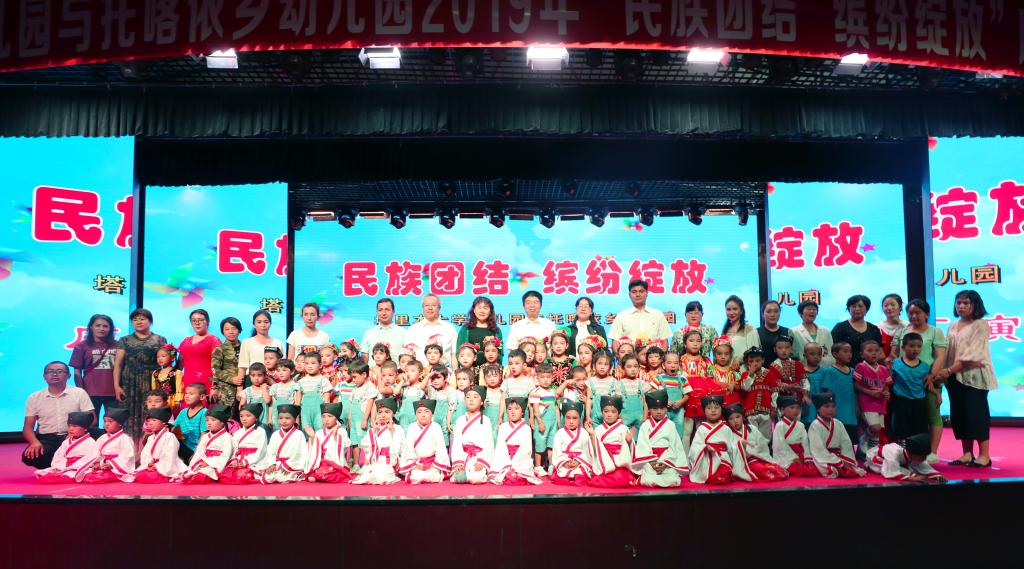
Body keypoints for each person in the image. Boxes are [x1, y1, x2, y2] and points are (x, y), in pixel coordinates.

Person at [937, 290, 997, 468]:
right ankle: (967, 454)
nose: (961, 306)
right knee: (960, 415)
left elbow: (972, 355)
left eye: (966, 303)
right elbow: (948, 352)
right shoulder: (953, 325)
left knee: (976, 415)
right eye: (958, 302)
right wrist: (944, 372)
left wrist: (948, 370)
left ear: (975, 305)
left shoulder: (981, 324)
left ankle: (984, 455)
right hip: (954, 377)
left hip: (974, 377)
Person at [891, 299, 948, 462]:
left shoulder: (935, 332)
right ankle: (906, 452)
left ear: (927, 314)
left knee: (932, 415)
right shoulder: (902, 330)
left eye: (918, 313)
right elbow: (894, 353)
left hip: (928, 378)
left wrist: (932, 375)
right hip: (904, 382)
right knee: (905, 418)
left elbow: (940, 356)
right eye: (910, 313)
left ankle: (932, 452)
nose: (914, 316)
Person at [22, 361, 95, 470]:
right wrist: (34, 442)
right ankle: (60, 466)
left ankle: (69, 465)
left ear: (68, 376)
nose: (55, 374)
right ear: (44, 376)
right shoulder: (34, 397)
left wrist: (74, 434)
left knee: (98, 439)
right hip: (48, 439)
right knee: (30, 456)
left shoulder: (79, 393)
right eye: (50, 371)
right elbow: (27, 428)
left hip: (75, 436)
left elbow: (92, 419)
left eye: (60, 371)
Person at [113, 308, 167, 442]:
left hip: (151, 381)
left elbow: (166, 361)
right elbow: (118, 364)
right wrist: (116, 386)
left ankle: (149, 445)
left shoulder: (159, 339)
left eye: (142, 319)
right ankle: (129, 447)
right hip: (129, 383)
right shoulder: (124, 340)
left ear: (150, 321)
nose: (138, 322)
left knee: (151, 412)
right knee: (128, 415)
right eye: (135, 319)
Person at [631, 389, 689, 487]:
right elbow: (643, 445)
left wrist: (665, 463)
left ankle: (665, 468)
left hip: (666, 458)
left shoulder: (670, 425)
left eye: (662, 408)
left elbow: (674, 446)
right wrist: (652, 461)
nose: (659, 412)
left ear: (666, 408)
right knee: (649, 480)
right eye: (655, 408)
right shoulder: (645, 425)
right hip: (650, 459)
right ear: (649, 409)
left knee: (672, 480)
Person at [69, 314, 118, 419]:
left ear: (110, 328)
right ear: (91, 327)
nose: (101, 329)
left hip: (113, 392)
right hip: (90, 392)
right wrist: (81, 393)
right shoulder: (81, 346)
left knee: (113, 422)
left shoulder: (118, 345)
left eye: (105, 326)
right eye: (98, 325)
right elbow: (77, 372)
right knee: (91, 423)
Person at [807, 392, 865, 478]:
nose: (831, 409)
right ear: (818, 409)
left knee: (851, 469)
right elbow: (818, 449)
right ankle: (839, 467)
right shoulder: (815, 425)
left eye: (833, 406)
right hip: (822, 457)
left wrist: (846, 460)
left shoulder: (838, 423)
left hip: (839, 456)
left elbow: (846, 444)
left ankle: (842, 466)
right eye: (827, 406)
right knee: (828, 468)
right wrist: (838, 462)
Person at [725, 403, 787, 482]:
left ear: (742, 417)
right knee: (760, 469)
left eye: (738, 417)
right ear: (727, 421)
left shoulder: (752, 429)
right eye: (731, 419)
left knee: (775, 468)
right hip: (742, 463)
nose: (735, 421)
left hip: (758, 457)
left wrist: (751, 452)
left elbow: (762, 445)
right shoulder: (728, 433)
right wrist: (742, 451)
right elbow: (730, 450)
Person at [688, 395, 739, 485]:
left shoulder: (726, 428)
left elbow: (732, 447)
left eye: (716, 408)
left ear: (721, 409)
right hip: (706, 458)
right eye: (709, 408)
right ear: (704, 411)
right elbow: (695, 447)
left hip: (722, 457)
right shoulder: (701, 429)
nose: (713, 410)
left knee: (723, 474)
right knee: (711, 475)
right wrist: (704, 447)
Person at [352, 397, 405, 485]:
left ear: (394, 413)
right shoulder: (374, 429)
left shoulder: (397, 428)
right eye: (380, 412)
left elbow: (400, 448)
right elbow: (366, 445)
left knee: (380, 476)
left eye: (387, 412)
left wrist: (391, 431)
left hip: (389, 462)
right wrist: (374, 431)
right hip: (376, 461)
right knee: (368, 476)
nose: (383, 415)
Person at [489, 397, 541, 485]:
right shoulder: (503, 427)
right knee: (501, 474)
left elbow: (526, 450)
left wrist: (513, 466)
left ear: (522, 411)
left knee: (520, 474)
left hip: (521, 461)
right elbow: (500, 448)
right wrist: (508, 465)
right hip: (504, 459)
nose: (513, 412)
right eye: (509, 409)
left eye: (516, 409)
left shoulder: (526, 428)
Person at [398, 399, 451, 484]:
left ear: (432, 414)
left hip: (432, 464)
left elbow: (440, 448)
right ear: (415, 415)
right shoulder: (412, 427)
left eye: (426, 411)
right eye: (419, 412)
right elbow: (409, 448)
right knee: (416, 476)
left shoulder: (436, 427)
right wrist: (416, 465)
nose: (423, 415)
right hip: (417, 464)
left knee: (433, 476)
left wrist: (434, 465)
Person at [609, 280, 672, 352]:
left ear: (647, 293)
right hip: (630, 357)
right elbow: (615, 342)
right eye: (634, 292)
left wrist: (660, 357)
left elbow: (664, 341)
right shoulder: (622, 316)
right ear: (629, 295)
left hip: (652, 357)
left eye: (641, 291)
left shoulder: (658, 315)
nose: (638, 294)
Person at [34, 412, 97, 483]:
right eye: (69, 426)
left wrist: (73, 467)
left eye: (74, 426)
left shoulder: (90, 442)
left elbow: (91, 458)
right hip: (64, 465)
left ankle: (62, 476)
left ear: (85, 428)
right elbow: (59, 456)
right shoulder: (66, 442)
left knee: (70, 474)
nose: (71, 429)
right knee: (41, 473)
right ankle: (58, 474)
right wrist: (58, 467)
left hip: (78, 466)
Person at [76, 407, 134, 484]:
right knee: (87, 476)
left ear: (120, 423)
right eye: (105, 421)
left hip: (115, 468)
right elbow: (95, 454)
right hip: (102, 465)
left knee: (96, 478)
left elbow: (127, 457)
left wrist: (110, 464)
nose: (106, 424)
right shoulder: (102, 438)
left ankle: (114, 475)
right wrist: (97, 463)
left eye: (110, 421)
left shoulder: (125, 439)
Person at [587, 396, 635, 488]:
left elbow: (628, 448)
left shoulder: (623, 428)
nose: (609, 414)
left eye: (613, 412)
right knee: (600, 478)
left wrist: (628, 442)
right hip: (603, 460)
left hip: (619, 461)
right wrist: (592, 435)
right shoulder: (598, 429)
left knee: (620, 478)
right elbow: (595, 448)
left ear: (619, 413)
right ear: (602, 412)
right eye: (606, 411)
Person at [819, 342, 859, 452]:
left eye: (850, 352)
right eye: (845, 351)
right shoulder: (829, 371)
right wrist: (829, 409)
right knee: (837, 438)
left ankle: (851, 457)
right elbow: (828, 393)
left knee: (850, 440)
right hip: (837, 411)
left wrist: (857, 406)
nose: (849, 354)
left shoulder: (853, 371)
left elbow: (855, 391)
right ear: (835, 354)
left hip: (850, 411)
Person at [180, 404, 235, 484]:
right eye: (207, 420)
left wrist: (208, 462)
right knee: (189, 474)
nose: (209, 423)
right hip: (203, 462)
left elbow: (226, 456)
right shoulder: (205, 436)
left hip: (216, 465)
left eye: (213, 420)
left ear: (222, 422)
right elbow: (199, 452)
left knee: (200, 477)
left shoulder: (227, 437)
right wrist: (194, 463)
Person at [853, 339, 892, 451]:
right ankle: (863, 438)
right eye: (870, 350)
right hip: (867, 403)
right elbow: (856, 385)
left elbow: (886, 385)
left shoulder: (883, 369)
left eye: (876, 350)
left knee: (877, 432)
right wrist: (870, 392)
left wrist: (887, 392)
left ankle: (872, 452)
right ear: (862, 354)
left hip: (881, 403)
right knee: (875, 427)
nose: (874, 353)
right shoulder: (860, 366)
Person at [450, 386, 494, 484]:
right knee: (458, 478)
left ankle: (472, 474)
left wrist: (481, 461)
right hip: (463, 456)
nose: (471, 399)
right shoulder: (460, 420)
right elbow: (457, 443)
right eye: (468, 397)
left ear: (482, 402)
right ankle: (464, 474)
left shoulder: (486, 421)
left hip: (478, 457)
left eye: (475, 397)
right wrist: (458, 463)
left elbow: (489, 444)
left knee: (477, 478)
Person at [257, 404, 308, 484]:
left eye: (287, 418)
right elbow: (270, 451)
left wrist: (289, 466)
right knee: (267, 478)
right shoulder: (275, 434)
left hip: (292, 465)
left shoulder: (299, 434)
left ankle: (295, 474)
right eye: (281, 418)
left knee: (282, 477)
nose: (284, 421)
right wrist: (272, 463)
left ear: (294, 419)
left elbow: (300, 453)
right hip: (277, 463)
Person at [134, 407, 186, 483]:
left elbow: (170, 456)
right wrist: (149, 464)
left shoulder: (170, 436)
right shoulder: (150, 438)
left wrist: (157, 466)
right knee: (139, 475)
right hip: (152, 465)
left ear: (164, 422)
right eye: (148, 421)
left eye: (154, 420)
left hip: (165, 467)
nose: (150, 423)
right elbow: (145, 454)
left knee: (148, 477)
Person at [866, 432, 946, 483]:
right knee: (885, 467)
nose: (924, 458)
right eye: (922, 456)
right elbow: (891, 471)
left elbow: (924, 465)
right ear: (911, 453)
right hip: (873, 456)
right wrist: (911, 478)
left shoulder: (913, 455)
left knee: (914, 467)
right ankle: (868, 465)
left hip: (894, 458)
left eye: (925, 456)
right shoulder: (893, 453)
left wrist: (937, 476)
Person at [239, 310, 286, 393]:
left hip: (274, 383)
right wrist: (239, 389)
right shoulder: (247, 342)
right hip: (252, 382)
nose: (263, 325)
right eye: (259, 322)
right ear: (254, 325)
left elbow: (284, 366)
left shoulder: (278, 343)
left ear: (270, 324)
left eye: (266, 322)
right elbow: (242, 368)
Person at [220, 404, 268, 484]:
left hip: (254, 461)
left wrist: (246, 461)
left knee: (241, 476)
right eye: (241, 416)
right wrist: (235, 460)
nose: (244, 419)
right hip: (239, 459)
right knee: (225, 475)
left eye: (248, 416)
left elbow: (262, 451)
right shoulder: (238, 433)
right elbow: (234, 449)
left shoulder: (261, 431)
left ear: (256, 417)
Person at [177, 309, 221, 395]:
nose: (197, 323)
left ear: (207, 322)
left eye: (200, 320)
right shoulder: (185, 341)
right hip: (187, 383)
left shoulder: (214, 340)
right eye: (194, 320)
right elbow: (179, 366)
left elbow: (217, 367)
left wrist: (215, 386)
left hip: (206, 384)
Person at [771, 395, 818, 477]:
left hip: (800, 455)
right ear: (782, 410)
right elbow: (779, 444)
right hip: (786, 457)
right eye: (792, 408)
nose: (795, 410)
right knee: (799, 470)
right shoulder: (779, 425)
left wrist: (807, 457)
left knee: (813, 470)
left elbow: (805, 443)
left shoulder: (801, 425)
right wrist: (793, 458)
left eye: (798, 408)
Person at [831, 295, 884, 367]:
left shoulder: (874, 329)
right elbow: (833, 349)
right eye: (854, 306)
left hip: (870, 369)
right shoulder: (840, 327)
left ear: (866, 309)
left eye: (860, 306)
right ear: (848, 309)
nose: (857, 309)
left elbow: (880, 352)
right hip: (846, 369)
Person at [306, 402, 353, 483]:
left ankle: (326, 475)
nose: (326, 419)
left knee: (330, 475)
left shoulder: (341, 431)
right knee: (311, 478)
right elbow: (314, 450)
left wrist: (335, 436)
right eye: (323, 416)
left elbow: (343, 450)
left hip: (335, 463)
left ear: (336, 418)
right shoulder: (319, 432)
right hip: (321, 463)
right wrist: (312, 437)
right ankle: (322, 475)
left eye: (330, 416)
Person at [549, 401, 593, 485]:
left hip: (579, 462)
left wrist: (578, 461)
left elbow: (587, 452)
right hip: (564, 461)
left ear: (579, 418)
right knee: (561, 475)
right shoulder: (560, 433)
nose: (571, 421)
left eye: (575, 418)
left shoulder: (584, 433)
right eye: (568, 418)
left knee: (580, 474)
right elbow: (557, 452)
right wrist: (565, 462)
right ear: (564, 418)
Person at [407, 294, 458, 366]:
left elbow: (454, 353)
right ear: (422, 307)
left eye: (433, 305)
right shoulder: (413, 329)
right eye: (426, 305)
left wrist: (455, 371)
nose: (430, 308)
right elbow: (408, 355)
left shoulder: (449, 328)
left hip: (444, 370)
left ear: (439, 308)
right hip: (420, 371)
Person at [740, 346, 777, 441]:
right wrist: (750, 375)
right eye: (751, 361)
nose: (754, 363)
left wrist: (774, 407)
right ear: (747, 362)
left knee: (766, 436)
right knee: (752, 436)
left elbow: (775, 392)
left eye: (757, 360)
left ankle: (765, 450)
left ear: (763, 360)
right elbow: (745, 388)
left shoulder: (769, 374)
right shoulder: (745, 375)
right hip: (751, 411)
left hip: (766, 411)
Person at [348, 359, 379, 470]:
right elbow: (351, 403)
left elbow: (370, 403)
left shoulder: (370, 387)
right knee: (354, 441)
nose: (353, 380)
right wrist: (349, 417)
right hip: (354, 418)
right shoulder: (355, 388)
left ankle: (366, 463)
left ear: (364, 374)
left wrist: (365, 419)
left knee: (364, 441)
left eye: (355, 377)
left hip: (362, 417)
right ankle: (356, 464)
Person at [456, 296, 504, 367]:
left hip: (491, 371)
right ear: (474, 310)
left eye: (485, 308)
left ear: (490, 311)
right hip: (470, 370)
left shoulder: (496, 330)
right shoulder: (466, 329)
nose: (482, 311)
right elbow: (459, 351)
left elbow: (500, 353)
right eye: (479, 307)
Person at [530, 365, 558, 476]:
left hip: (553, 422)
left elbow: (555, 406)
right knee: (540, 443)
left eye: (548, 377)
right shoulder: (536, 391)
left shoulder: (552, 391)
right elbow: (535, 408)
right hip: (542, 420)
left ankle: (551, 465)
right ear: (537, 378)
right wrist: (540, 422)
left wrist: (558, 422)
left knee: (551, 443)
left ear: (552, 378)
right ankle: (537, 466)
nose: (545, 380)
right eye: (542, 377)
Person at [210, 317, 243, 409]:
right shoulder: (219, 349)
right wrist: (231, 379)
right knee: (227, 415)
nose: (231, 332)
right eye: (227, 329)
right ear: (223, 332)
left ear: (239, 330)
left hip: (245, 389)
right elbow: (215, 370)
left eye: (234, 328)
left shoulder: (246, 347)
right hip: (226, 391)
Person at [790, 300, 834, 368]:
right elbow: (793, 354)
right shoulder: (793, 331)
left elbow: (831, 354)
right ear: (800, 313)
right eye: (808, 309)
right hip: (803, 369)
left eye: (814, 309)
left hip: (824, 369)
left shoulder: (825, 331)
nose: (812, 311)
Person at [721, 295, 760, 371]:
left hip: (745, 371)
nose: (731, 312)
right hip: (727, 372)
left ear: (741, 311)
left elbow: (755, 351)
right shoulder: (725, 330)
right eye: (728, 309)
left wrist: (739, 360)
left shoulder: (749, 329)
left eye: (735, 309)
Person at [361, 298, 406, 362]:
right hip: (373, 368)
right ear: (377, 312)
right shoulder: (369, 333)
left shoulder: (403, 333)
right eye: (380, 310)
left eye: (387, 310)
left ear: (393, 312)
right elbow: (365, 357)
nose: (383, 313)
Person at [297, 352, 332, 431]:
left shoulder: (323, 380)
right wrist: (297, 417)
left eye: (313, 363)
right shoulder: (301, 382)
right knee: (306, 431)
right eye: (306, 363)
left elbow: (327, 401)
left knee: (320, 431)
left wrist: (327, 416)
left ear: (320, 365)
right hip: (305, 413)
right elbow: (298, 402)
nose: (309, 366)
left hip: (319, 412)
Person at [174, 383, 208, 464]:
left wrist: (196, 455)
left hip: (197, 450)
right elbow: (172, 428)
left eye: (191, 394)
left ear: (202, 397)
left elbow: (204, 437)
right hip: (184, 447)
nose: (187, 396)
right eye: (186, 393)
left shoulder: (204, 413)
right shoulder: (183, 412)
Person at [618, 354, 651, 435]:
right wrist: (620, 418)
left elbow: (646, 403)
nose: (633, 369)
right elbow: (617, 404)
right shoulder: (619, 384)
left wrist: (645, 417)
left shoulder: (642, 384)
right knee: (625, 439)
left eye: (635, 366)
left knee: (640, 439)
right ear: (623, 368)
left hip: (640, 420)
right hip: (624, 421)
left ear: (639, 368)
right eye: (629, 367)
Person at [877, 293, 908, 365]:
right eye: (886, 305)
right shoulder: (877, 327)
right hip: (881, 367)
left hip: (904, 367)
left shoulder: (908, 326)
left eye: (893, 304)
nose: (889, 308)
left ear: (900, 307)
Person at [756, 300, 791, 366]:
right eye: (769, 312)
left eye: (776, 311)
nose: (772, 315)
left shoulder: (787, 332)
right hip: (763, 371)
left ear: (780, 313)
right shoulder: (756, 332)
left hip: (784, 370)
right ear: (762, 314)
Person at [269, 359, 301, 428]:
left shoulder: (295, 386)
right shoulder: (274, 387)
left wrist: (297, 420)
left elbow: (297, 405)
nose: (280, 373)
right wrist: (270, 419)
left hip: (290, 416)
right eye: (278, 370)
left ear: (292, 371)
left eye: (284, 370)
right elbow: (272, 405)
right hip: (276, 416)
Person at [150, 344, 184, 410]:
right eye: (158, 357)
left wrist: (177, 401)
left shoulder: (177, 373)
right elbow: (154, 389)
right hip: (159, 401)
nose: (160, 359)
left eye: (163, 356)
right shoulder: (155, 373)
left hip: (171, 402)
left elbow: (179, 389)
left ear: (173, 357)